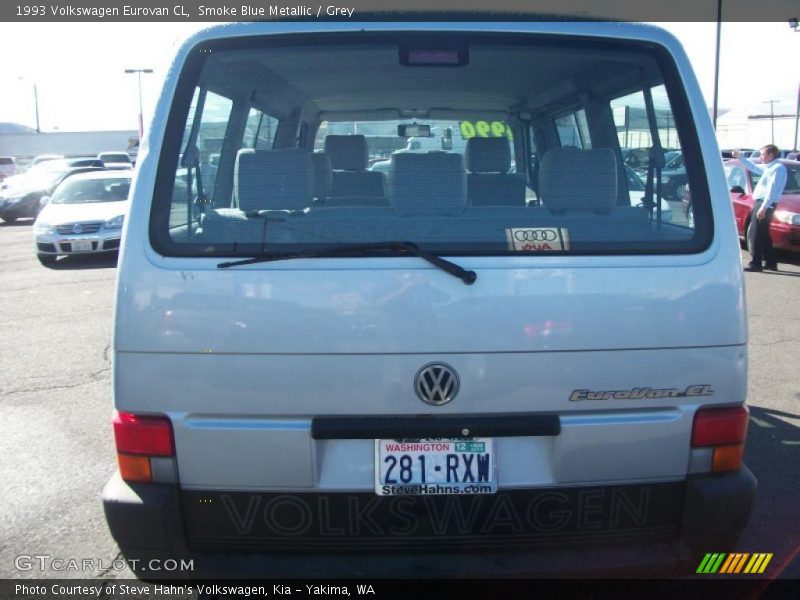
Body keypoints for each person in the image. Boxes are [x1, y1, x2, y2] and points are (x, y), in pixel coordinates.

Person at [732, 145, 787, 272]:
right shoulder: (770, 167)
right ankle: (771, 262)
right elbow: (753, 167)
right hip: (763, 203)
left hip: (765, 203)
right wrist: (740, 157)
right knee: (763, 233)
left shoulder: (777, 168)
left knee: (755, 233)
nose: (760, 156)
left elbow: (772, 190)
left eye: (762, 154)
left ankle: (756, 264)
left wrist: (764, 207)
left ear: (771, 154)